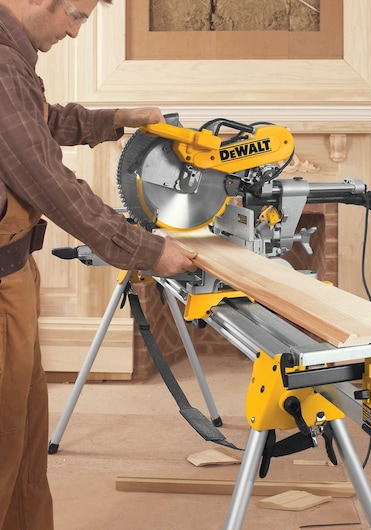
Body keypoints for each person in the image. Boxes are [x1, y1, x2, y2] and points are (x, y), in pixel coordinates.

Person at [0, 1, 197, 528]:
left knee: (23, 436)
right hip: (0, 283)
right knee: (3, 440)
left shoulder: (13, 64)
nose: (75, 31)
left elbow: (43, 123)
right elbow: (49, 182)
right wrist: (147, 250)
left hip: (15, 269)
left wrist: (119, 120)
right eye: (76, 15)